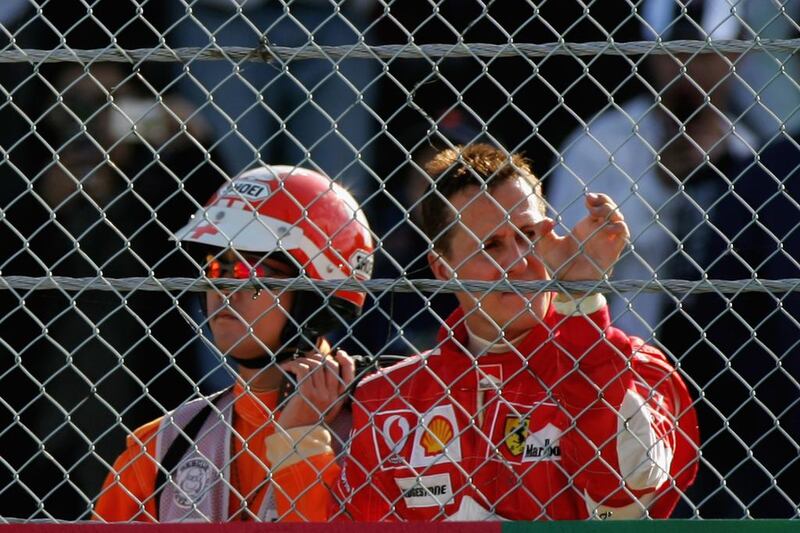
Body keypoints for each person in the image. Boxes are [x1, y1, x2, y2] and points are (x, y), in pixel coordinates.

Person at [265, 143, 699, 520]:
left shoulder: (634, 367)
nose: (519, 261)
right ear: (442, 268)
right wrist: (299, 439)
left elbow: (621, 501)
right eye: (491, 245)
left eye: (528, 235)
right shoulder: (389, 400)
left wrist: (582, 302)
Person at [93, 164, 374, 522]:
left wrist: (300, 439)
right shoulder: (159, 447)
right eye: (215, 269)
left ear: (318, 293)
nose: (225, 289)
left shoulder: (382, 429)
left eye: (251, 271)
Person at [548, 0, 756, 339]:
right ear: (649, 54)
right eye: (673, 53)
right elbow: (563, 265)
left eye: (704, 54)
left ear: (737, 56)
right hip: (624, 348)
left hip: (730, 354)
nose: (687, 69)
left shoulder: (750, 152)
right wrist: (658, 184)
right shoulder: (600, 143)